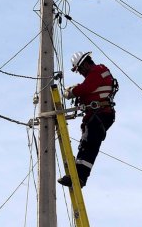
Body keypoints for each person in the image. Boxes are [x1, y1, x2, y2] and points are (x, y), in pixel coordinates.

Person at [58, 51, 118, 188]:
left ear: (84, 64)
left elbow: (86, 88)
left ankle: (79, 177)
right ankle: (77, 175)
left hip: (100, 114)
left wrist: (71, 92)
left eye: (79, 69)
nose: (80, 73)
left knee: (89, 145)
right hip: (99, 115)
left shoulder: (98, 71)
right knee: (87, 144)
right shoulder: (99, 73)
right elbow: (89, 90)